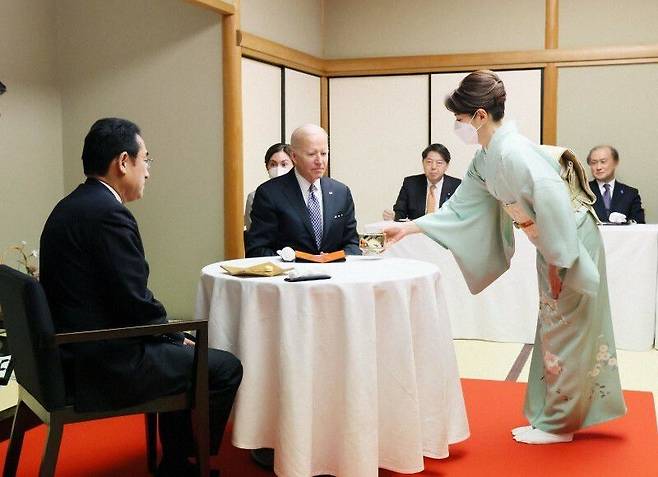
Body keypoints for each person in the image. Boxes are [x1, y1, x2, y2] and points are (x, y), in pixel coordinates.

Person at [385, 71, 626, 445]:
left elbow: (553, 201)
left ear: (480, 116)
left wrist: (557, 261)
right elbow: (460, 208)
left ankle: (559, 426)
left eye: (461, 119)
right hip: (548, 240)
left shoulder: (514, 153)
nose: (458, 127)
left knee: (566, 328)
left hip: (568, 240)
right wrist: (410, 227)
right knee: (553, 327)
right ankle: (551, 416)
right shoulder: (486, 158)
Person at [39, 118, 243, 476]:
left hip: (75, 348)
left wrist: (168, 333)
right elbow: (134, 303)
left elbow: (124, 297)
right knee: (224, 367)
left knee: (181, 350)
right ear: (123, 162)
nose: (148, 171)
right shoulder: (108, 215)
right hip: (103, 360)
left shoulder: (72, 204)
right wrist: (175, 334)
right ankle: (190, 463)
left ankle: (176, 461)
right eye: (145, 159)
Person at [245, 124, 360, 257]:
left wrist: (333, 259)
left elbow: (352, 244)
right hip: (289, 274)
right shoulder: (269, 194)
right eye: (311, 154)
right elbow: (257, 250)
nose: (320, 161)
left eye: (324, 154)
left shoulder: (341, 192)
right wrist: (300, 260)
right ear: (294, 156)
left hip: (334, 274)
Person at [383, 143, 461, 221]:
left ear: (447, 166)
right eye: (429, 162)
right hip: (416, 231)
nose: (433, 167)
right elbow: (400, 211)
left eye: (439, 163)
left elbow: (460, 215)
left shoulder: (456, 185)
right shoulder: (410, 184)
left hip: (443, 231)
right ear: (423, 163)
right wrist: (394, 216)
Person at [587, 145, 645, 223]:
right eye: (594, 163)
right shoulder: (583, 191)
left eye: (603, 162)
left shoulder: (630, 193)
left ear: (615, 162)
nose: (598, 167)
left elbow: (639, 223)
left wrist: (627, 222)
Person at [244, 143, 293, 230]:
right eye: (273, 164)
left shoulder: (302, 193)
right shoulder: (255, 197)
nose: (278, 169)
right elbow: (252, 232)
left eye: (284, 164)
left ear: (294, 166)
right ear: (267, 167)